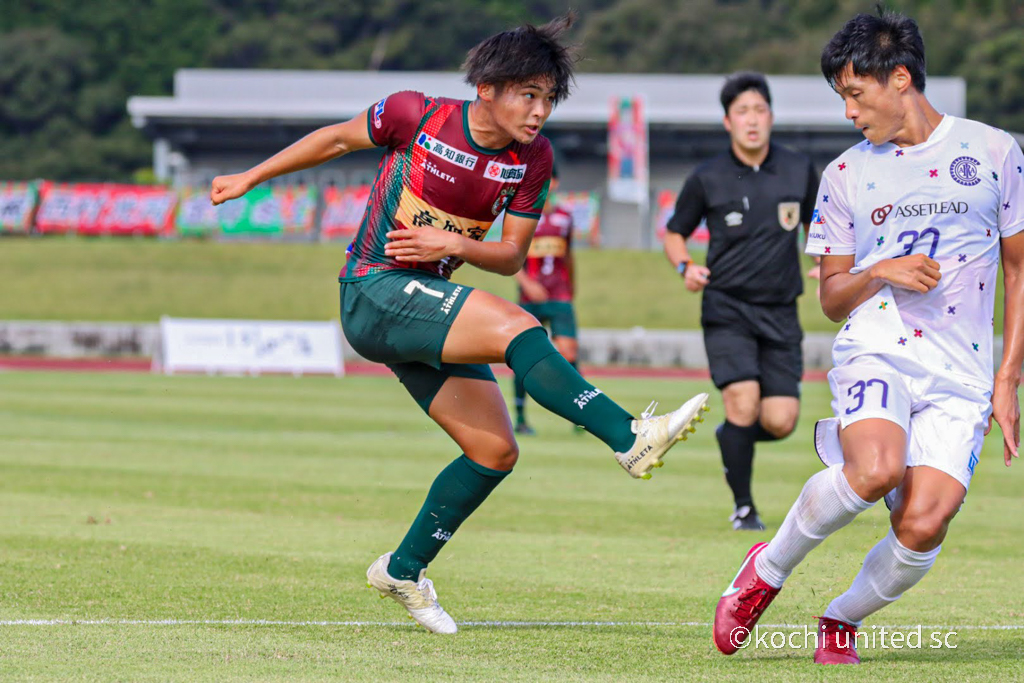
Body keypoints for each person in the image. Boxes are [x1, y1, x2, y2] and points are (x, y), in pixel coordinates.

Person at [210, 14, 709, 635]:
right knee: (518, 327)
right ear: (486, 89)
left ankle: (402, 569)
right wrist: (250, 177)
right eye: (528, 95)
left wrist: (452, 244)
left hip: (426, 304)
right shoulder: (416, 115)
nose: (539, 112)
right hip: (372, 288)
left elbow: (511, 256)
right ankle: (628, 436)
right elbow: (336, 141)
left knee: (494, 450)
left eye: (549, 99)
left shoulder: (533, 158)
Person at [713, 9, 1023, 664]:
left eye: (855, 93)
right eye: (842, 98)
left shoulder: (996, 151)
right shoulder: (845, 175)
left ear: (900, 77)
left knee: (924, 522)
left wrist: (1007, 378)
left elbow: (1019, 269)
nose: (849, 112)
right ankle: (765, 570)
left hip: (962, 370)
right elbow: (831, 298)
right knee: (876, 469)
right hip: (878, 345)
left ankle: (841, 617)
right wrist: (880, 270)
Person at [663, 72, 819, 531]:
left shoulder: (798, 168)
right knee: (743, 403)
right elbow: (675, 233)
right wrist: (685, 267)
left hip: (781, 310)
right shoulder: (707, 177)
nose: (752, 120)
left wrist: (823, 262)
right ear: (727, 122)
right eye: (742, 112)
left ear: (771, 116)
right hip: (726, 308)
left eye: (760, 111)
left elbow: (820, 226)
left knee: (781, 420)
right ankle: (744, 508)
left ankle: (731, 437)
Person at [511, 163, 580, 435]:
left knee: (570, 354)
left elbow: (569, 255)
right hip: (530, 298)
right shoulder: (523, 215)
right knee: (523, 357)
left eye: (547, 179)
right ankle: (520, 419)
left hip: (559, 294)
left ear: (555, 183)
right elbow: (509, 256)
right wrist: (528, 283)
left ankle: (581, 414)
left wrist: (572, 286)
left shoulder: (565, 218)